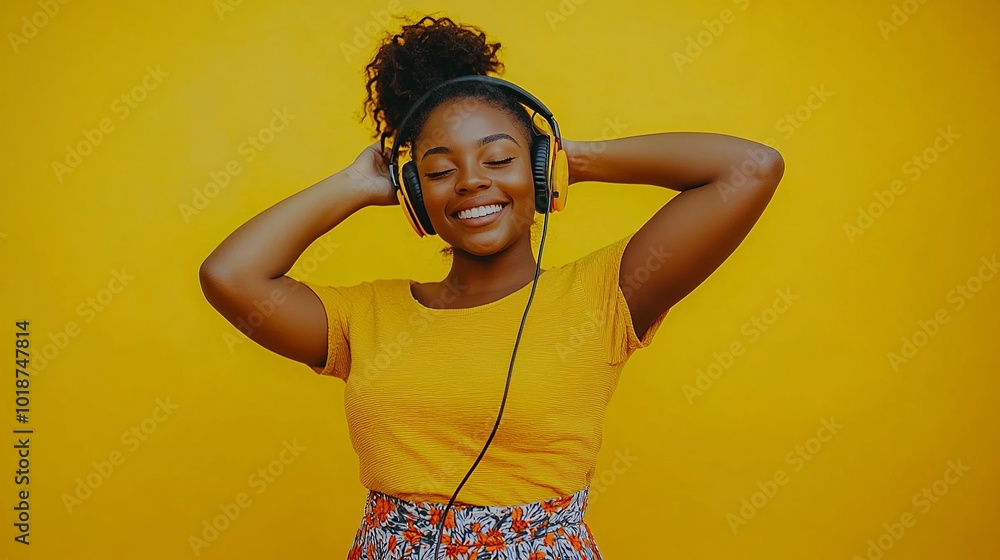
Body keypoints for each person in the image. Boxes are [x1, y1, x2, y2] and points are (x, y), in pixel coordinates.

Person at [198, 14, 784, 560]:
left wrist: (568, 158)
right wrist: (355, 183)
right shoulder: (365, 316)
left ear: (534, 171)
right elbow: (231, 276)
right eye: (439, 170)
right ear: (415, 196)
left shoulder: (608, 295)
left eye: (499, 160)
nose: (471, 181)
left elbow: (749, 168)